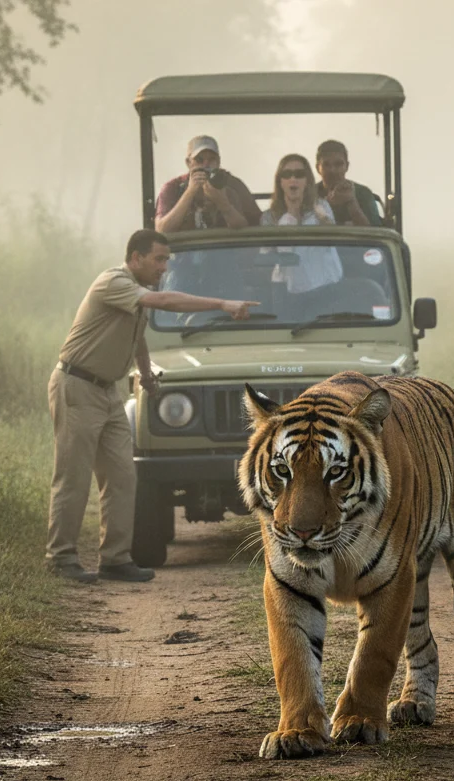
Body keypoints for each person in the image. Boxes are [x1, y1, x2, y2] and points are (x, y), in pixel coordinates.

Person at [47, 229, 259, 583]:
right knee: (74, 476)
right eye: (158, 259)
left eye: (166, 260)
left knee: (123, 476)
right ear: (135, 258)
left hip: (108, 391)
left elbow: (137, 336)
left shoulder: (136, 296)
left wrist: (145, 375)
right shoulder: (114, 281)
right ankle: (60, 557)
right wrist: (221, 304)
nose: (164, 267)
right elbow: (164, 304)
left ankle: (115, 558)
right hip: (78, 386)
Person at [260, 153, 343, 295]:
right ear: (280, 182)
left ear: (307, 181)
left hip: (324, 285)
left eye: (299, 174)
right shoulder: (269, 217)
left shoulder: (321, 208)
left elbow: (332, 238)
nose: (293, 179)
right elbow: (266, 257)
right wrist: (291, 214)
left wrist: (320, 215)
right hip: (286, 290)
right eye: (287, 174)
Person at [155, 135, 261, 233]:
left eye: (211, 159)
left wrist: (222, 203)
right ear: (188, 163)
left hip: (226, 249)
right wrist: (189, 193)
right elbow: (162, 229)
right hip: (185, 252)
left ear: (218, 161)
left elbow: (252, 224)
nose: (206, 165)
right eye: (199, 160)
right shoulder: (173, 188)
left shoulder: (232, 185)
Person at [315, 139, 383, 227]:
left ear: (347, 166)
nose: (332, 170)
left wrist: (351, 202)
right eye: (326, 165)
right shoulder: (307, 194)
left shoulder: (363, 194)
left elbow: (375, 233)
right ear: (318, 168)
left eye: (338, 164)